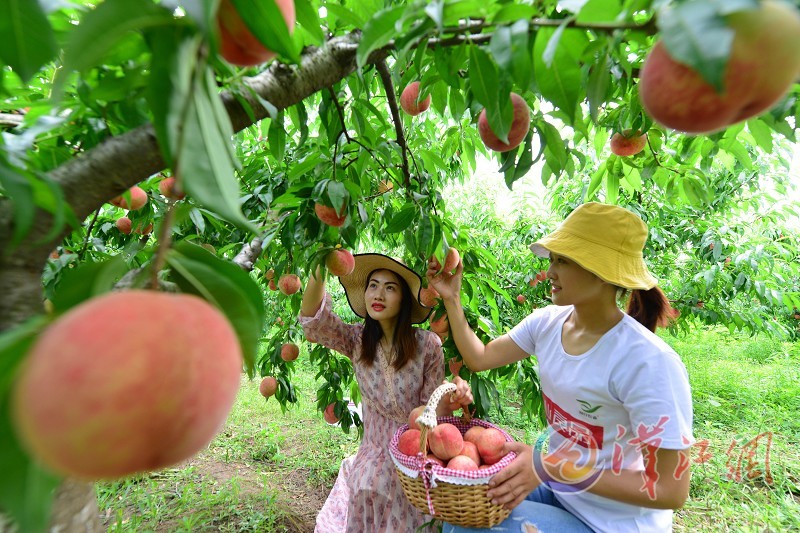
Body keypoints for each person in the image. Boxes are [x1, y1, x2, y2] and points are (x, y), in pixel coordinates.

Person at [427, 203, 694, 533]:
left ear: (601, 271)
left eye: (563, 261)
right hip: (566, 492)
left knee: (472, 528)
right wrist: (452, 299)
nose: (550, 271)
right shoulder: (547, 324)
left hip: (613, 523)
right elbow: (479, 358)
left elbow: (670, 489)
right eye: (552, 259)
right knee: (464, 508)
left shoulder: (648, 362)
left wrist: (551, 467)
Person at [299, 253, 474, 532]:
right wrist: (322, 261)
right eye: (373, 285)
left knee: (405, 493)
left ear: (404, 298)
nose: (378, 294)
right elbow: (313, 323)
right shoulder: (357, 341)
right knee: (369, 480)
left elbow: (432, 413)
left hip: (414, 449)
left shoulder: (427, 345)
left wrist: (452, 396)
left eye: (390, 287)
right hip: (373, 450)